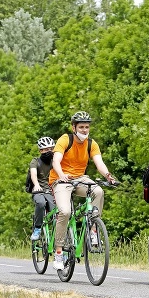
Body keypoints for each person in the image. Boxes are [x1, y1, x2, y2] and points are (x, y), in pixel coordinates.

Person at [49, 111, 116, 270]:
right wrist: (61, 175)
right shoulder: (65, 140)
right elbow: (56, 160)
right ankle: (58, 252)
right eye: (81, 127)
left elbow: (99, 163)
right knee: (65, 212)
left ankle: (93, 228)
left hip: (80, 178)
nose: (85, 130)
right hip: (61, 180)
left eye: (87, 127)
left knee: (98, 191)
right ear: (74, 127)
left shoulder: (91, 144)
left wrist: (108, 176)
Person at [30, 137, 56, 241]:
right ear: (40, 150)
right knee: (40, 203)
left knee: (57, 211)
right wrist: (36, 185)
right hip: (39, 190)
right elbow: (33, 174)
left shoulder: (55, 161)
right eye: (46, 149)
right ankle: (37, 228)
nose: (48, 151)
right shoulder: (35, 161)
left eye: (50, 149)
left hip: (51, 190)